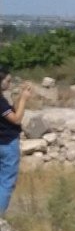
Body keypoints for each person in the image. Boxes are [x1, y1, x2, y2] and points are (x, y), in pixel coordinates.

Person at [0, 68, 30, 218]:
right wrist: (24, 99)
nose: (10, 83)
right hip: (7, 144)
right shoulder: (1, 103)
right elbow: (16, 119)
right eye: (8, 81)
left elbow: (13, 112)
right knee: (6, 181)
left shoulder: (3, 101)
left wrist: (18, 98)